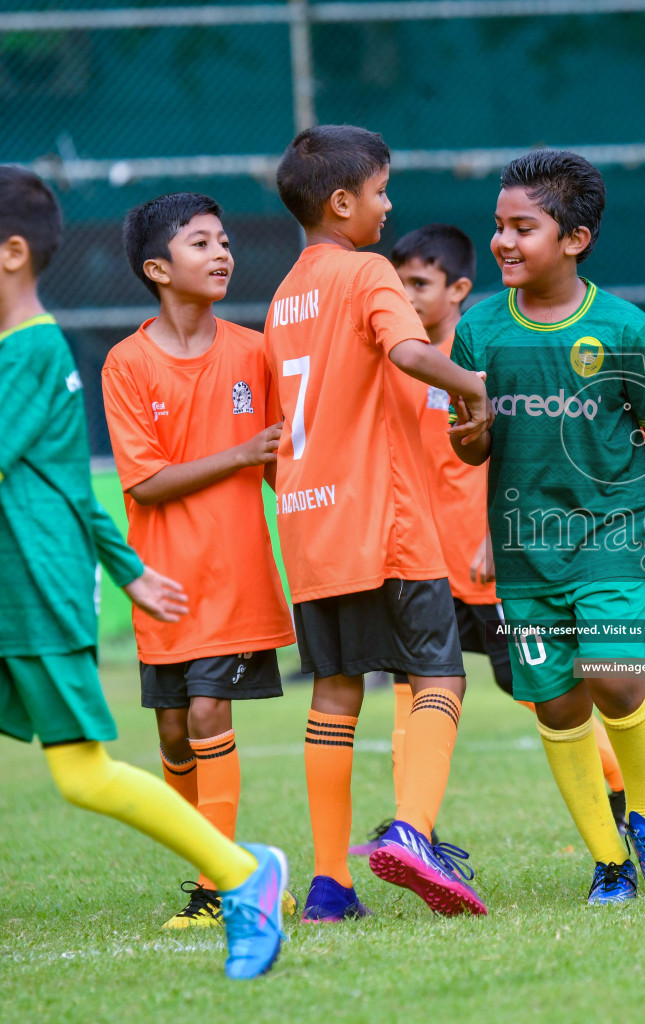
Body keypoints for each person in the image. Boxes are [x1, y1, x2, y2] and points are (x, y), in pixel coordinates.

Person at [0, 166, 286, 1007]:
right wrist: (132, 570)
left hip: (32, 601)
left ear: (12, 254)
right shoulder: (0, 351)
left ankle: (243, 873)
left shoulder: (33, 351)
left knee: (82, 775)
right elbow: (74, 490)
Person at [451, 150, 645, 905]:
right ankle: (608, 861)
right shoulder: (478, 330)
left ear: (575, 239)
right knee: (556, 704)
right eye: (498, 226)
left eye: (523, 227)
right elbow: (469, 442)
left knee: (617, 674)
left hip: (612, 533)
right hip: (527, 550)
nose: (503, 242)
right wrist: (469, 435)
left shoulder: (623, 327)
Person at [352, 224, 640, 855]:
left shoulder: (481, 350)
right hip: (421, 566)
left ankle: (629, 793)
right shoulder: (395, 360)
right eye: (397, 284)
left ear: (457, 289)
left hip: (490, 565)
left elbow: (518, 454)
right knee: (413, 693)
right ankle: (413, 829)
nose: (405, 295)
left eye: (419, 284)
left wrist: (491, 531)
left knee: (536, 688)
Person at [265, 125, 492, 922]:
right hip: (384, 515)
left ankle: (330, 884)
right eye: (382, 191)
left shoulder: (283, 296)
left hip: (308, 520)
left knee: (333, 691)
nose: (389, 206)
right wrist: (476, 387)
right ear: (341, 202)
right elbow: (406, 351)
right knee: (438, 674)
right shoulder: (365, 271)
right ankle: (414, 833)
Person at [103, 192, 297, 928]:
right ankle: (206, 865)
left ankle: (223, 883)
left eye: (225, 241)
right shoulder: (126, 363)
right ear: (158, 268)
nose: (222, 254)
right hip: (165, 586)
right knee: (173, 731)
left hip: (239, 580)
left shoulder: (255, 352)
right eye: (200, 243)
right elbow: (146, 482)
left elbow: (287, 467)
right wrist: (244, 453)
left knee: (211, 711)